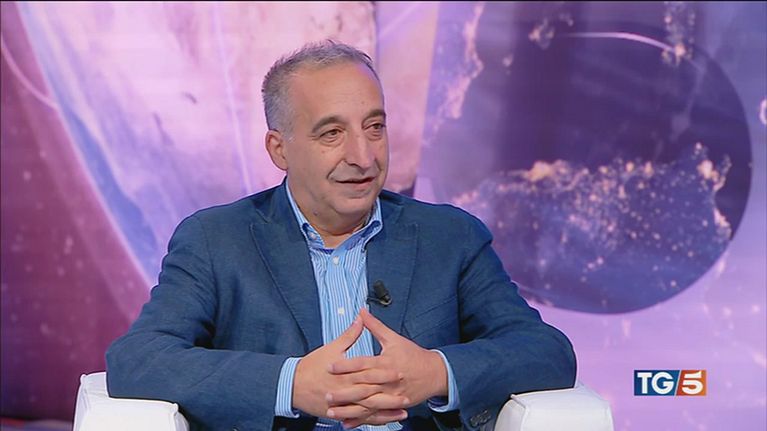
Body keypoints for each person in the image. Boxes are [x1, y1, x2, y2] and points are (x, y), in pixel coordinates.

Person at [106, 40, 576, 431]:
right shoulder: (215, 241)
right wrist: (290, 384)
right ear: (279, 149)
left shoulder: (450, 237)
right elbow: (139, 359)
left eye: (375, 127)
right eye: (332, 134)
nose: (363, 156)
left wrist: (437, 372)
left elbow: (546, 351)